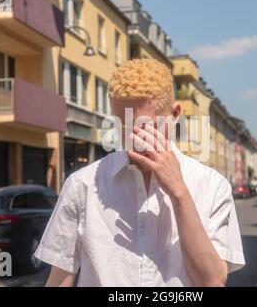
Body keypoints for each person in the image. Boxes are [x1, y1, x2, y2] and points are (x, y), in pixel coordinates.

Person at [34, 59, 245, 287]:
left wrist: (179, 193)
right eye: (123, 126)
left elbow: (213, 281)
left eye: (145, 127)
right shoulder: (81, 185)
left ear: (175, 115)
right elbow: (59, 279)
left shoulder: (212, 186)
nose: (134, 138)